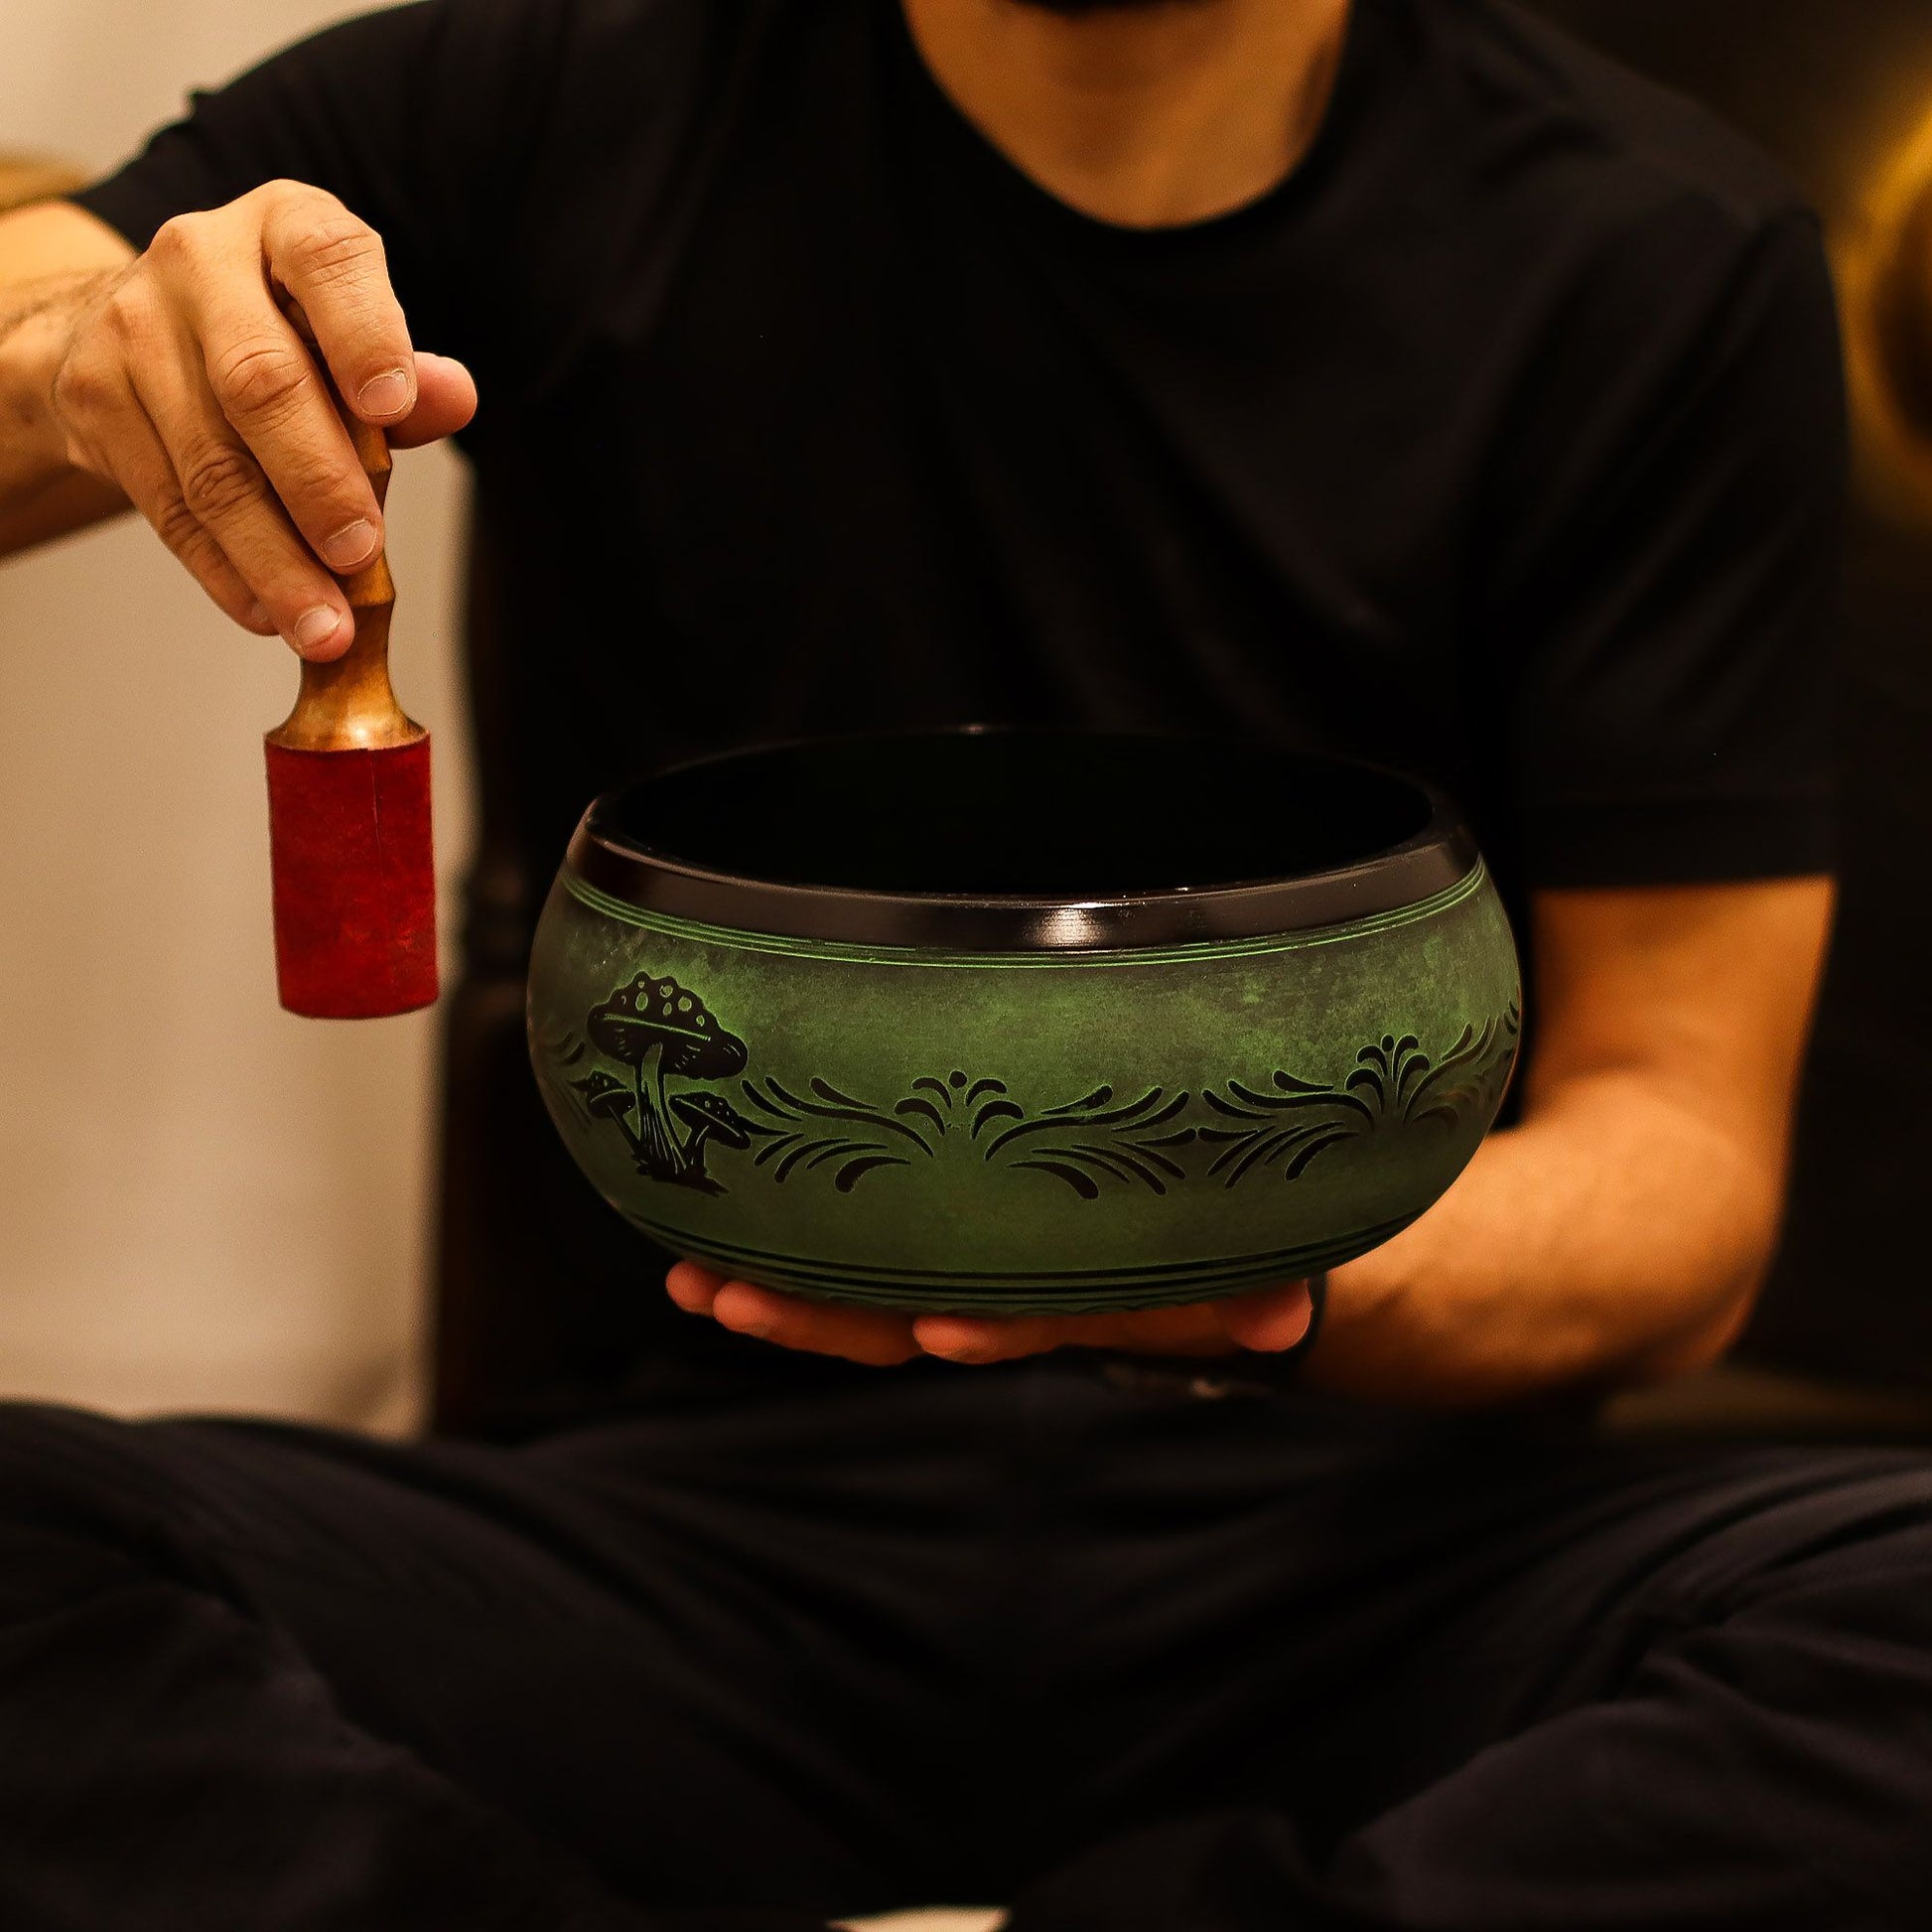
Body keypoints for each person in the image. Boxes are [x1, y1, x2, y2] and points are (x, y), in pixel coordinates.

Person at [0, 0, 1921, 1927]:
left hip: (1369, 1546)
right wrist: (84, 347)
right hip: (686, 1540)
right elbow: (45, 299)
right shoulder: (548, 90)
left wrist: (1206, 1269)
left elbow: (1676, 1169)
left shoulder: (1651, 241)